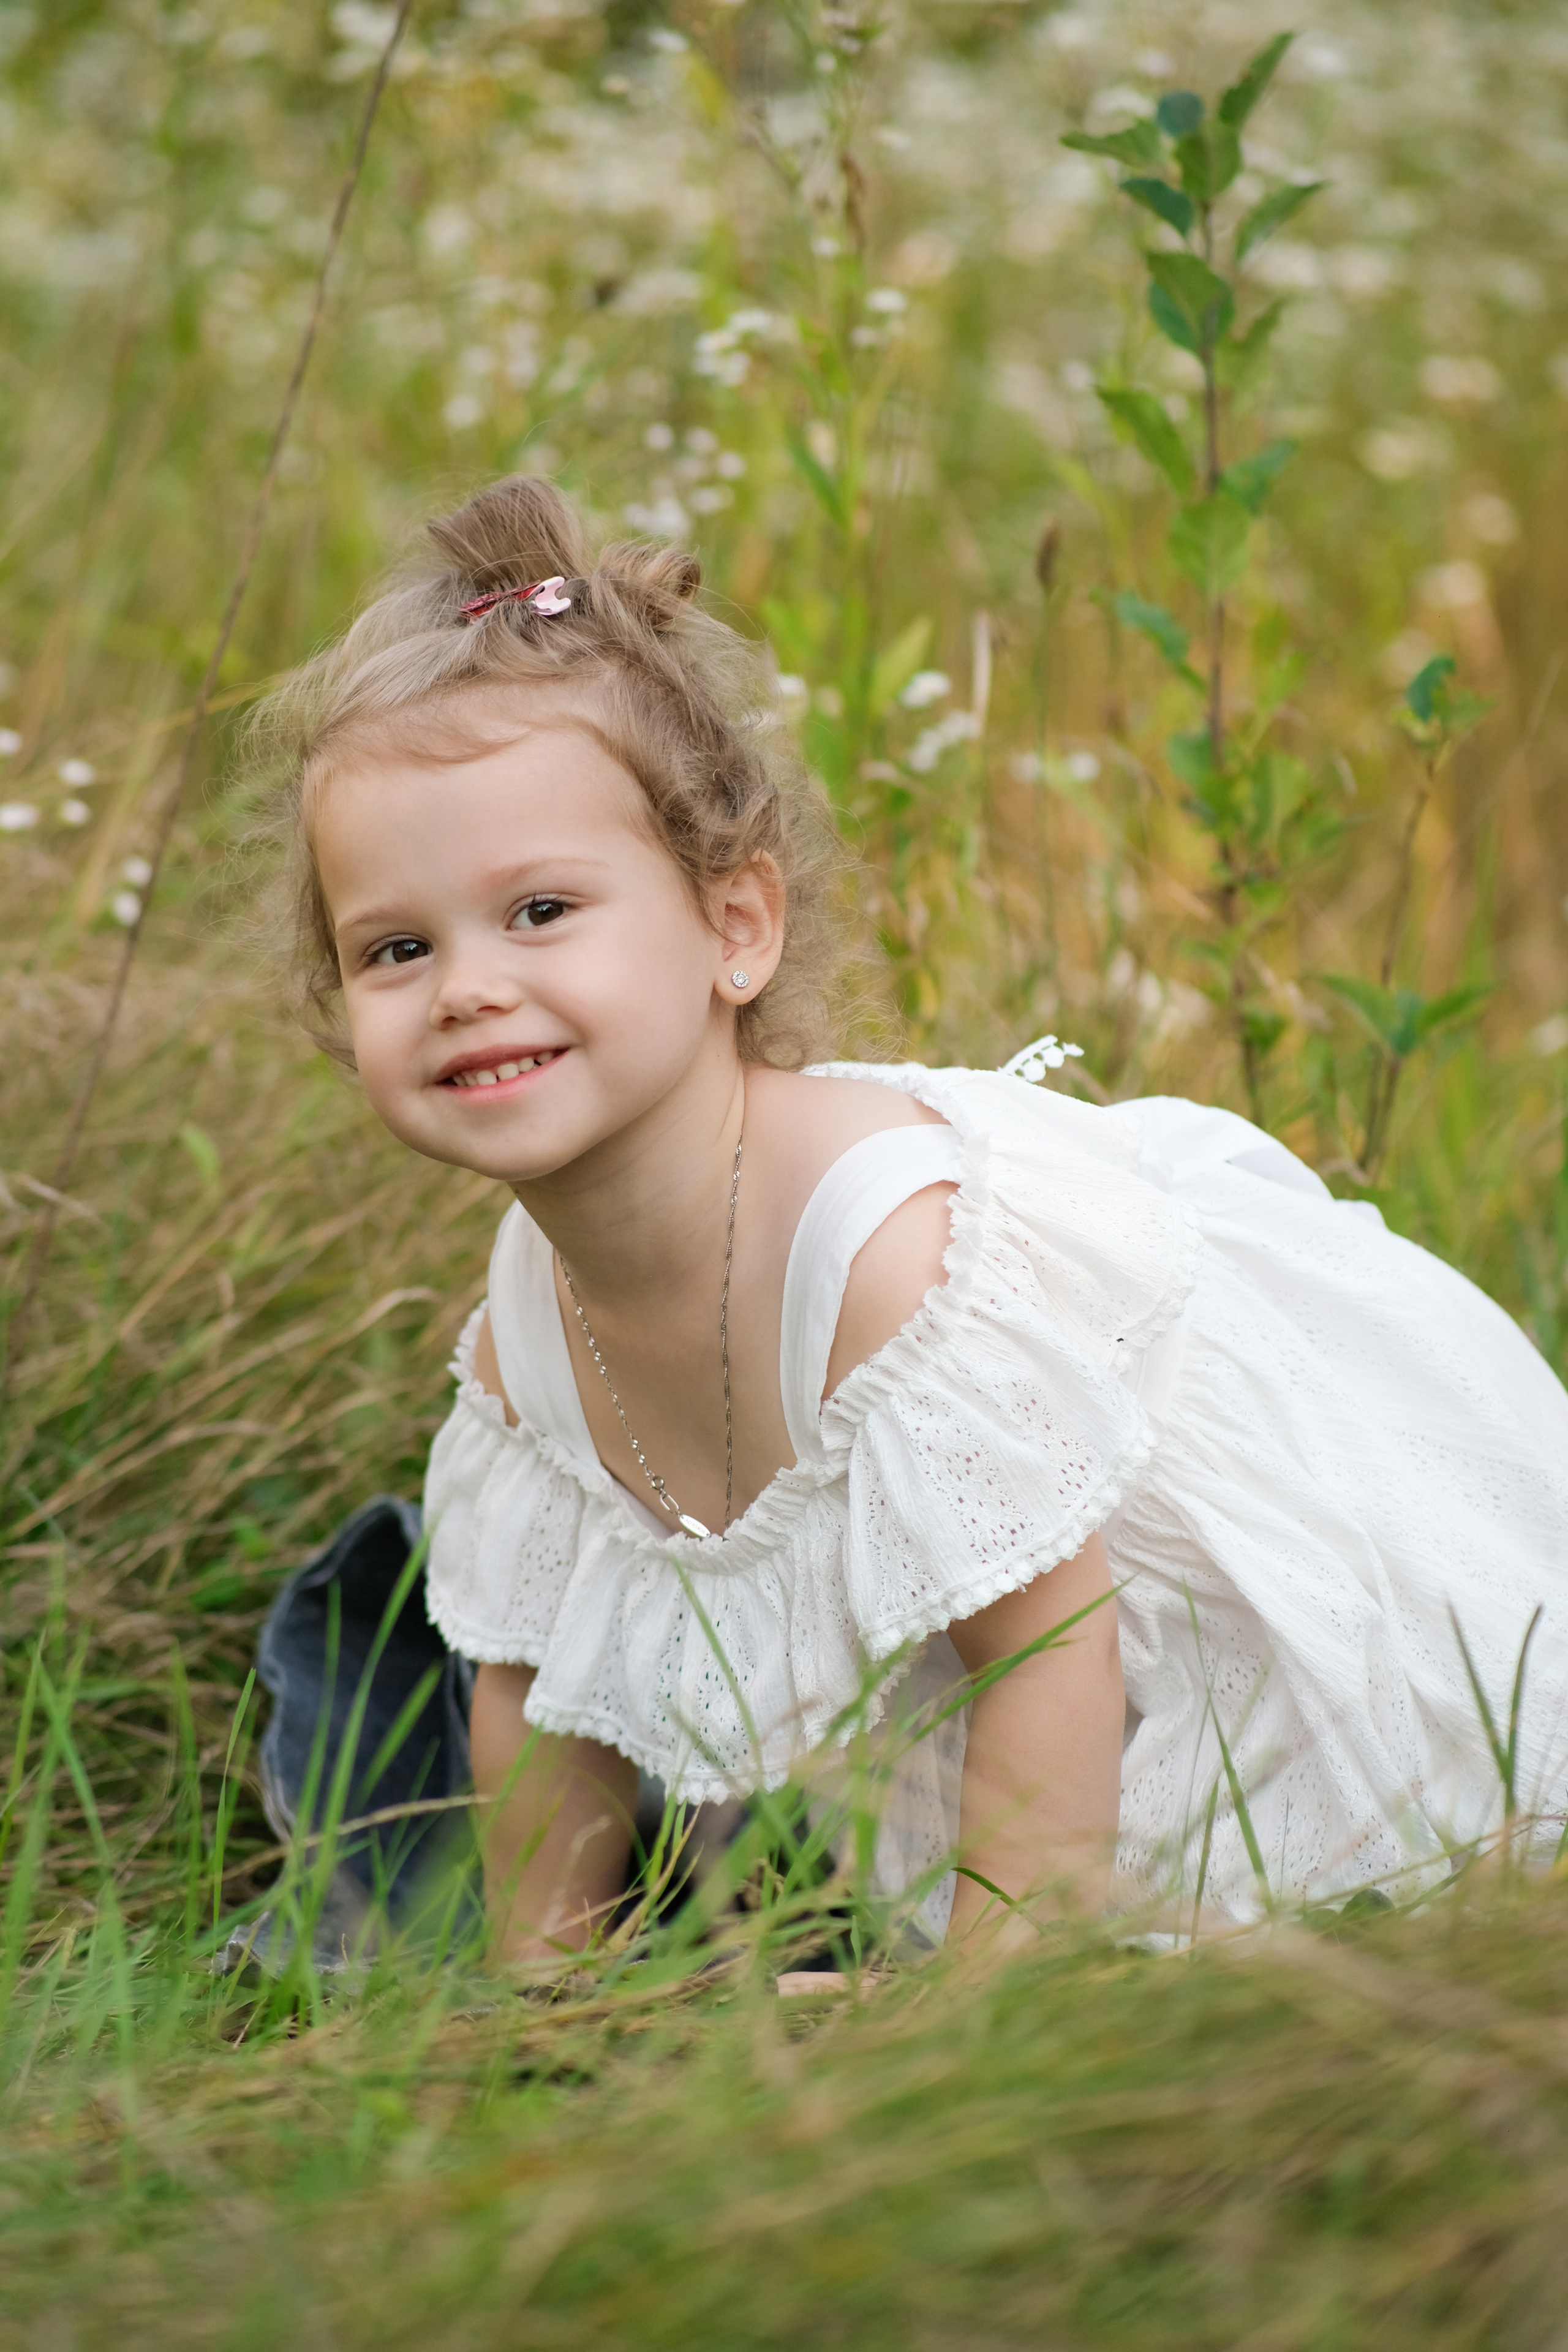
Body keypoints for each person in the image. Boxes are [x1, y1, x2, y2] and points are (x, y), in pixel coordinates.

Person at [262, 473, 1568, 1966]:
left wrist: (971, 2029)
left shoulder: (897, 1264)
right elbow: (532, 1679)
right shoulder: (522, 1342)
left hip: (1240, 1656)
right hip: (1012, 1740)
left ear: (732, 929)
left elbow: (1050, 1656)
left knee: (1238, 1944)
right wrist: (530, 1995)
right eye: (395, 947)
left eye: (543, 911)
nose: (467, 985)